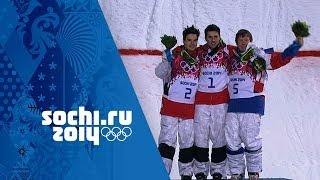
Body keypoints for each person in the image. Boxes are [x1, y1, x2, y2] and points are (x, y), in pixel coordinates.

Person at [225, 29, 304, 180]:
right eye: (240, 39)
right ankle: (236, 172)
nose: (243, 41)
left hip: (252, 103)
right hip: (232, 104)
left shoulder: (259, 55)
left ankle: (253, 173)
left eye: (246, 38)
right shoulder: (230, 56)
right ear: (236, 42)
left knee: (250, 139)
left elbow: (280, 59)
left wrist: (296, 44)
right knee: (231, 139)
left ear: (250, 40)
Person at [155, 25, 200, 180]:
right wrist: (167, 58)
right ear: (184, 40)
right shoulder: (174, 54)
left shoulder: (201, 58)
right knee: (167, 144)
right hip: (170, 109)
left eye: (195, 40)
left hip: (189, 111)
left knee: (187, 144)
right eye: (189, 40)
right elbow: (160, 74)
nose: (192, 43)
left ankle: (186, 175)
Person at [193, 24, 230, 180]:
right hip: (201, 101)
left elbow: (246, 49)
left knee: (219, 136)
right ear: (205, 38)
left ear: (219, 36)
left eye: (215, 36)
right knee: (200, 135)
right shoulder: (199, 52)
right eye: (210, 37)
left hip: (220, 101)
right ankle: (200, 170)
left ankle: (218, 171)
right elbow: (182, 51)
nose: (213, 40)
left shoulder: (228, 51)